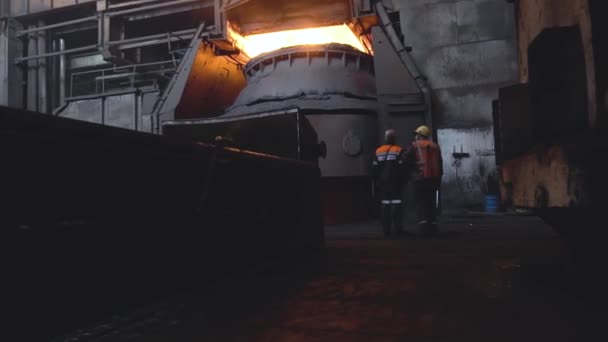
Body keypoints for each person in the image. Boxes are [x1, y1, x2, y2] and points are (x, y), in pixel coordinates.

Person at [404, 125, 443, 236]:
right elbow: (440, 164)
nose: (415, 136)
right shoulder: (435, 146)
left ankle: (423, 228)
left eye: (417, 134)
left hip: (420, 179)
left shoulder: (414, 146)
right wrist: (439, 178)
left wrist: (413, 168)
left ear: (420, 135)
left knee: (421, 203)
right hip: (434, 179)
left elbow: (405, 159)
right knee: (431, 202)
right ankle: (433, 226)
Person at [372, 129, 407, 237]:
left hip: (383, 183)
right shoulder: (399, 150)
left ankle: (386, 231)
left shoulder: (378, 151)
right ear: (394, 139)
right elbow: (403, 167)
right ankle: (398, 229)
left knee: (385, 206)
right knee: (397, 205)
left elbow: (374, 168)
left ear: (385, 139)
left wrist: (376, 181)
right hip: (396, 182)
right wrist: (404, 180)